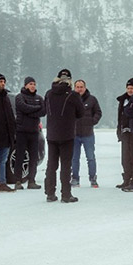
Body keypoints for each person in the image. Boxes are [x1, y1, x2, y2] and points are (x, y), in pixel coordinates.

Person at [43, 70, 85, 203]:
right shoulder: (73, 95)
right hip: (67, 134)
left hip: (51, 134)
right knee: (66, 165)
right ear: (70, 81)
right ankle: (66, 194)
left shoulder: (49, 93)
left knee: (51, 164)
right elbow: (80, 113)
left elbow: (45, 110)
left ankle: (50, 193)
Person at [14, 76, 44, 190]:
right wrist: (35, 109)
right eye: (30, 84)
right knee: (20, 156)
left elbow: (43, 111)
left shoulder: (39, 98)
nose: (33, 86)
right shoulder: (19, 97)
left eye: (34, 84)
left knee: (34, 157)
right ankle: (18, 180)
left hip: (34, 131)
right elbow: (23, 107)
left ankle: (31, 180)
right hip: (22, 131)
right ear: (26, 85)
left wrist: (31, 112)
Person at [71, 79, 103, 188]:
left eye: (81, 87)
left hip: (88, 134)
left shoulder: (92, 99)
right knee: (74, 158)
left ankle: (93, 178)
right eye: (77, 87)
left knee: (90, 157)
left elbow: (98, 112)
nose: (79, 89)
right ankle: (75, 178)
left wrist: (92, 122)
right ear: (74, 88)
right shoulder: (71, 99)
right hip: (74, 134)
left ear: (85, 87)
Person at [115, 78, 133, 188]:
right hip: (124, 132)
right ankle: (126, 178)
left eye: (132, 88)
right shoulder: (123, 100)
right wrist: (119, 130)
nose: (129, 90)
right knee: (125, 158)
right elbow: (120, 117)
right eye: (128, 88)